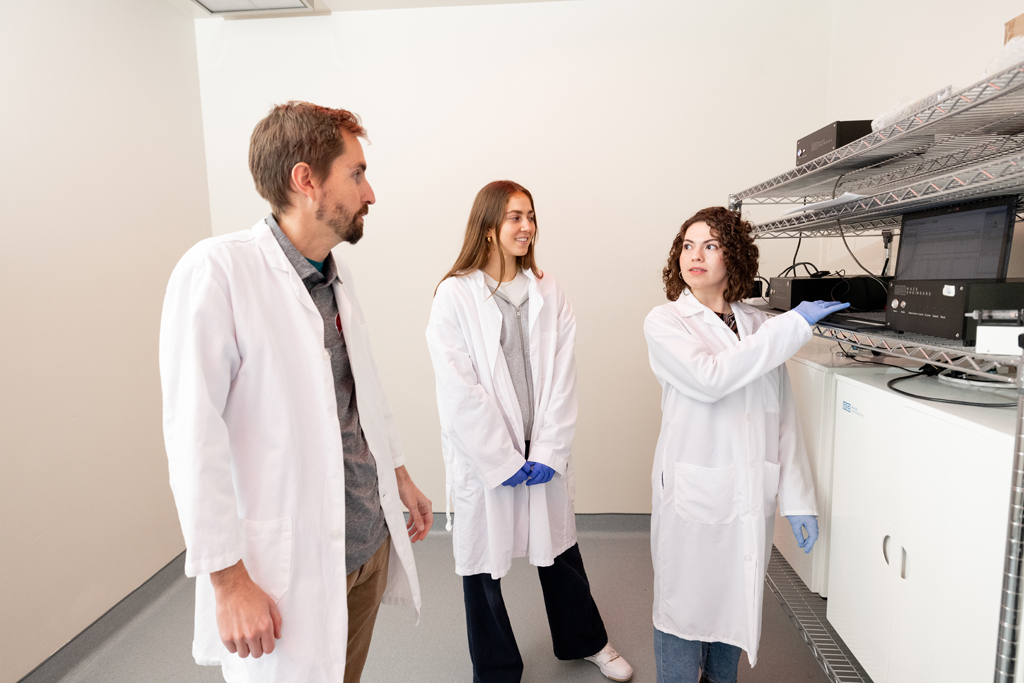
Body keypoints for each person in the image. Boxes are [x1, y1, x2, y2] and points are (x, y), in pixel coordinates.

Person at [159, 101, 433, 683]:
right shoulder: (218, 272)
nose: (371, 193)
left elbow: (364, 389)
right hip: (288, 568)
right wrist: (228, 581)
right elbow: (193, 436)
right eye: (356, 174)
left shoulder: (334, 272)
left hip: (364, 546)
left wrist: (399, 473)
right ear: (306, 180)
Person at [425, 180, 633, 683]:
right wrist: (500, 458)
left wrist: (549, 447)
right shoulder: (455, 295)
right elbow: (459, 389)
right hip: (485, 456)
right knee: (480, 566)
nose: (526, 227)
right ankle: (496, 670)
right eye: (515, 217)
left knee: (559, 548)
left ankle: (587, 640)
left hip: (541, 445)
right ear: (489, 228)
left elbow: (563, 372)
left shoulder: (547, 287)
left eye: (531, 216)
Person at [643, 206, 847, 683]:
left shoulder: (759, 325)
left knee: (733, 599)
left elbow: (783, 416)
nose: (696, 256)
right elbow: (711, 378)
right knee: (684, 604)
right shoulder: (667, 321)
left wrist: (799, 499)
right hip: (696, 486)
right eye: (688, 246)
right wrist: (792, 325)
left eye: (711, 245)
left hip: (749, 490)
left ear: (733, 258)